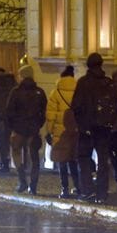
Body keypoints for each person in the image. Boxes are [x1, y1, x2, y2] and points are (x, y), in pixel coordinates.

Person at [72, 53, 117, 204]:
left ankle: (88, 190)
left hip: (87, 127)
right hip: (104, 127)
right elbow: (116, 106)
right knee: (103, 159)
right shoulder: (109, 83)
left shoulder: (84, 83)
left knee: (83, 157)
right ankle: (102, 193)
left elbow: (76, 106)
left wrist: (81, 125)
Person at [6, 65, 47, 195]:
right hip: (33, 130)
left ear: (22, 76)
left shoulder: (16, 92)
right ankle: (33, 186)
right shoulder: (39, 92)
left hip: (18, 130)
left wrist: (13, 127)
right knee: (34, 158)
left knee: (16, 153)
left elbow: (9, 112)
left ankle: (22, 180)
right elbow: (43, 112)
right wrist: (38, 125)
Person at [46, 65, 81, 199]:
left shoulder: (56, 93)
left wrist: (49, 131)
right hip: (74, 130)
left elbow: (51, 115)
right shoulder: (79, 90)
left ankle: (64, 189)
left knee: (62, 160)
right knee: (73, 159)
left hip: (60, 131)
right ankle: (78, 187)